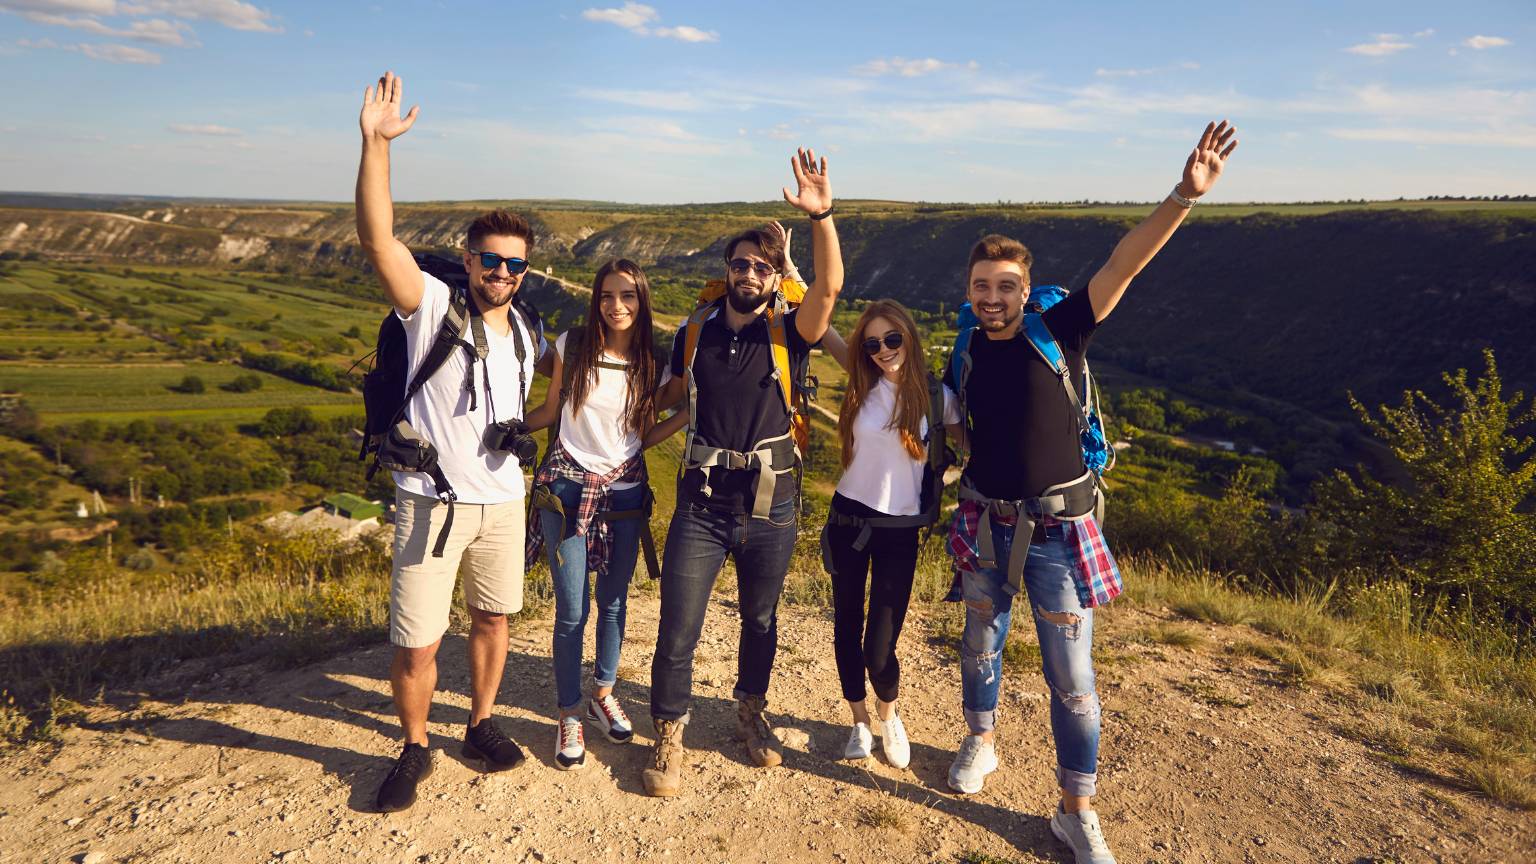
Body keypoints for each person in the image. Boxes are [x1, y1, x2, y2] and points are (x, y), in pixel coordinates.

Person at [946, 121, 1238, 864]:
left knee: (1073, 680)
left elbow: (1124, 263)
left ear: (1024, 288)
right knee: (980, 646)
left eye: (1005, 285)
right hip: (984, 523)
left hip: (1055, 534)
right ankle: (981, 744)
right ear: (969, 291)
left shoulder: (1061, 329)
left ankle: (1076, 809)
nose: (992, 296)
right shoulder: (966, 345)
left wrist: (1183, 196)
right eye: (981, 286)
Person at [356, 71, 548, 812]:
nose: (501, 273)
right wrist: (375, 145)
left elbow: (538, 403)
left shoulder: (526, 331)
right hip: (432, 505)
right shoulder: (431, 308)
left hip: (503, 500)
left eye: (514, 264)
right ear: (468, 262)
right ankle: (414, 746)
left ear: (524, 272)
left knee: (495, 619)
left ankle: (480, 722)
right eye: (490, 261)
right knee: (418, 642)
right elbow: (378, 239)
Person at [640, 148, 844, 797]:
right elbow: (670, 395)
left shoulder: (788, 331)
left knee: (761, 619)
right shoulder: (695, 331)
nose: (749, 272)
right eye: (740, 263)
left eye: (761, 265)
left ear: (773, 274)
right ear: (726, 271)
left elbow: (831, 292)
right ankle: (668, 733)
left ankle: (749, 715)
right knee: (678, 624)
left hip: (770, 505)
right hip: (701, 503)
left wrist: (820, 219)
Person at [521, 258, 664, 771]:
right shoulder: (573, 346)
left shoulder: (652, 361)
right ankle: (568, 713)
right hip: (566, 489)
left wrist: (690, 414)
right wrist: (507, 430)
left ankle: (603, 691)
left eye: (627, 296)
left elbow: (643, 433)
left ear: (641, 300)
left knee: (615, 602)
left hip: (624, 495)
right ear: (595, 300)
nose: (616, 306)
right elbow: (551, 411)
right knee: (572, 610)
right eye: (607, 296)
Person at [821, 300, 962, 767]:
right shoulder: (864, 382)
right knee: (845, 624)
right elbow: (820, 319)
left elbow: (970, 451)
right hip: (847, 522)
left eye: (892, 339)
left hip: (899, 530)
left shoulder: (938, 397)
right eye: (873, 343)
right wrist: (791, 266)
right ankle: (859, 722)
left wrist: (938, 482)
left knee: (880, 644)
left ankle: (889, 715)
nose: (884, 350)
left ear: (910, 337)